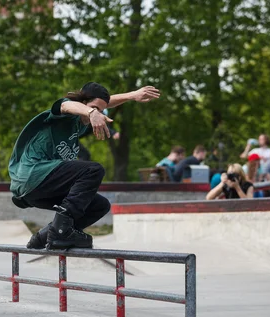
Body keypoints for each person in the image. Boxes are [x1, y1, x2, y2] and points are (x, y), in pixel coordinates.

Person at [9, 82, 160, 250]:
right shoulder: (66, 114)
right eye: (94, 109)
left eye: (101, 111)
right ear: (83, 103)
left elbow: (103, 102)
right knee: (93, 170)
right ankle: (60, 230)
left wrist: (131, 95)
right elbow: (67, 105)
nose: (98, 114)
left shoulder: (80, 125)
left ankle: (45, 236)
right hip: (34, 174)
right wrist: (91, 112)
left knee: (98, 206)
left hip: (40, 189)